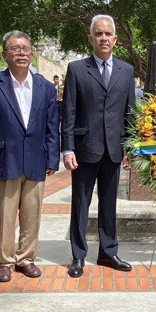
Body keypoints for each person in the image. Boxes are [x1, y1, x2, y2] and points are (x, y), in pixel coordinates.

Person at [0, 32, 59, 282]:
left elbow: (51, 125)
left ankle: (26, 258)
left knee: (32, 213)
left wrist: (52, 158)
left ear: (31, 54)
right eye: (15, 48)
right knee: (5, 214)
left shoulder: (45, 87)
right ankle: (4, 260)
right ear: (4, 55)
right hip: (5, 160)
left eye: (26, 48)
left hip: (36, 159)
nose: (21, 52)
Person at [62, 14, 135, 277]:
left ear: (115, 39)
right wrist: (67, 148)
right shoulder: (77, 69)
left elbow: (130, 112)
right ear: (90, 38)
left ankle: (108, 252)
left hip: (114, 149)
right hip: (84, 149)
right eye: (98, 33)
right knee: (80, 204)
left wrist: (130, 146)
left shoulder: (126, 71)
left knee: (109, 204)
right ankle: (78, 256)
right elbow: (68, 111)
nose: (103, 38)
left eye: (108, 34)